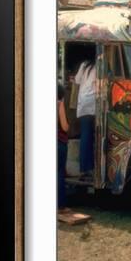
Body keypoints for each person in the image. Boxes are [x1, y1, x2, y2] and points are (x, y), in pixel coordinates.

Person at [74, 59, 96, 180]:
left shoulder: (84, 65)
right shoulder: (99, 66)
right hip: (92, 105)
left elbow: (77, 80)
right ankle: (88, 168)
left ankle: (84, 168)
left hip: (82, 104)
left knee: (85, 137)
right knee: (89, 137)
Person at [57, 83, 70, 212]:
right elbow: (64, 126)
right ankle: (60, 206)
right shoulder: (59, 104)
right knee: (59, 173)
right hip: (59, 143)